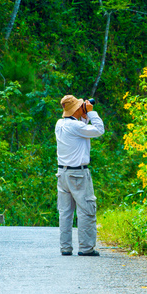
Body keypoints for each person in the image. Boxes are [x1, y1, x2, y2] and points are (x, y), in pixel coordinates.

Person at [55, 95, 104, 256]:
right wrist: (91, 113)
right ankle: (86, 248)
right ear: (76, 109)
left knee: (65, 213)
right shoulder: (76, 127)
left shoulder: (60, 124)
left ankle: (66, 247)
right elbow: (99, 130)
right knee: (86, 210)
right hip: (78, 174)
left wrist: (82, 117)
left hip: (62, 174)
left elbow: (79, 131)